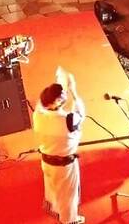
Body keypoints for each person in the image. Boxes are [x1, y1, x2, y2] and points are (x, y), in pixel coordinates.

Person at [33, 67, 85, 224]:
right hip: (64, 166)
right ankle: (70, 221)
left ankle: (57, 213)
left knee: (54, 190)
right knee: (68, 197)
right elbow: (81, 113)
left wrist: (59, 83)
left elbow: (44, 102)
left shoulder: (38, 115)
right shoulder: (68, 120)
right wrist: (73, 90)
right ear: (58, 102)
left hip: (46, 162)